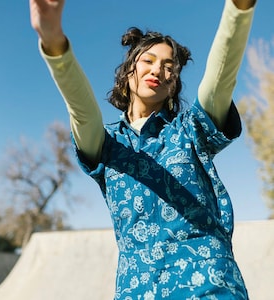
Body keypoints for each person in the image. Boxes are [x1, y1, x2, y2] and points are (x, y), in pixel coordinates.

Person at [29, 0, 256, 298]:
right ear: (127, 73)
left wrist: (238, 8)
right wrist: (53, 42)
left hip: (207, 285)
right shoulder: (106, 145)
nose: (158, 70)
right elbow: (82, 110)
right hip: (136, 290)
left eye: (168, 66)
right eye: (148, 60)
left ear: (173, 85)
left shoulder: (191, 129)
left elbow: (219, 79)